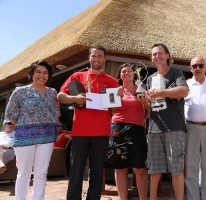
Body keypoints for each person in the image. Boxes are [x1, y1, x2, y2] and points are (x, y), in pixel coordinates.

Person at [57, 45, 118, 200]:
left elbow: (114, 109)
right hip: (80, 132)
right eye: (94, 56)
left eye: (100, 56)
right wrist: (74, 99)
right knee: (76, 171)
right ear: (89, 57)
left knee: (97, 172)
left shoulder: (111, 82)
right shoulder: (77, 76)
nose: (96, 59)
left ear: (105, 59)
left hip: (102, 132)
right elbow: (60, 96)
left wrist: (117, 99)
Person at [5, 60, 60, 200]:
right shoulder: (20, 92)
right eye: (38, 72)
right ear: (32, 74)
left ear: (49, 75)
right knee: (24, 173)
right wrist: (26, 126)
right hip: (24, 138)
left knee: (41, 173)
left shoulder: (53, 92)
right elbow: (11, 114)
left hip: (47, 138)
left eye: (45, 73)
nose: (41, 75)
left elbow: (56, 113)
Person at [146, 43, 188, 200]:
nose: (157, 56)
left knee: (177, 169)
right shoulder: (149, 79)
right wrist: (144, 101)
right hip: (154, 128)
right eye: (154, 54)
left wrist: (162, 92)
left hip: (175, 127)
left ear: (167, 55)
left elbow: (184, 91)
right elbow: (148, 104)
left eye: (160, 53)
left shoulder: (175, 72)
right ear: (152, 59)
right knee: (154, 169)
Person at [106, 63, 149, 200]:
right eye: (123, 71)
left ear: (134, 74)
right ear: (120, 75)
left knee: (140, 168)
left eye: (129, 71)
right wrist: (116, 98)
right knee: (119, 168)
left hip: (137, 129)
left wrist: (144, 103)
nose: (126, 73)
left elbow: (147, 113)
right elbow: (111, 111)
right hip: (118, 129)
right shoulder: (114, 91)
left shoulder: (142, 89)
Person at [184, 56, 206, 200]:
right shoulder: (185, 85)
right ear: (190, 68)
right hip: (190, 128)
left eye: (200, 65)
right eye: (194, 66)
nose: (197, 68)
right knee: (190, 167)